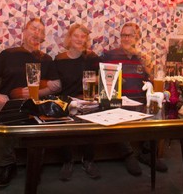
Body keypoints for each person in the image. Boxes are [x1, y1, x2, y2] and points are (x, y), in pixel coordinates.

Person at [0, 18, 61, 188]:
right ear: (24, 32)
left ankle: (35, 166)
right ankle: (7, 164)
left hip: (35, 102)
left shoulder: (46, 59)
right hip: (8, 103)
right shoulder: (8, 54)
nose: (37, 33)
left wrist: (39, 91)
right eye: (34, 29)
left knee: (47, 114)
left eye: (41, 31)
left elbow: (56, 85)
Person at [102, 22, 168, 176]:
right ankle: (128, 155)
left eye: (129, 35)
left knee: (159, 109)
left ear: (137, 38)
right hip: (117, 100)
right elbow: (103, 81)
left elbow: (151, 81)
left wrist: (148, 69)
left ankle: (147, 152)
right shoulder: (110, 55)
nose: (125, 38)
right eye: (123, 35)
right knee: (113, 110)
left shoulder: (142, 58)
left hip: (140, 100)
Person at [55, 23, 101, 181]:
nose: (80, 39)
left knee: (93, 116)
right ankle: (67, 161)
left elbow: (99, 82)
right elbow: (56, 86)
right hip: (66, 100)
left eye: (83, 36)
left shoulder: (92, 57)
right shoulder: (59, 59)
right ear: (69, 37)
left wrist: (91, 95)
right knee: (62, 116)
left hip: (87, 100)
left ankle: (88, 160)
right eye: (76, 35)